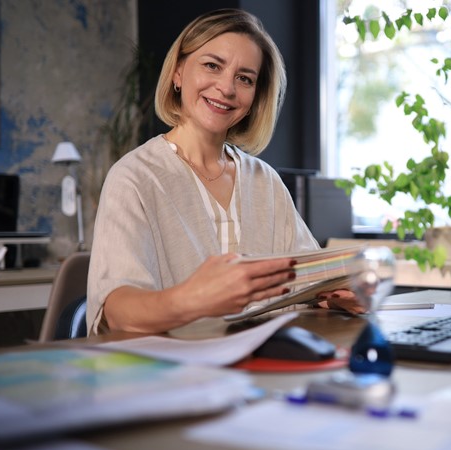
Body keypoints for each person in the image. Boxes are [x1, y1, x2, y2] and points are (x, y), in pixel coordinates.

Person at [87, 8, 360, 336]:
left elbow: (307, 279)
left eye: (245, 78)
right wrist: (196, 299)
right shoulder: (133, 178)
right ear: (177, 73)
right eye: (212, 66)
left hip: (262, 365)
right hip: (176, 373)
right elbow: (117, 312)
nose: (227, 88)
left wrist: (337, 296)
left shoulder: (266, 181)